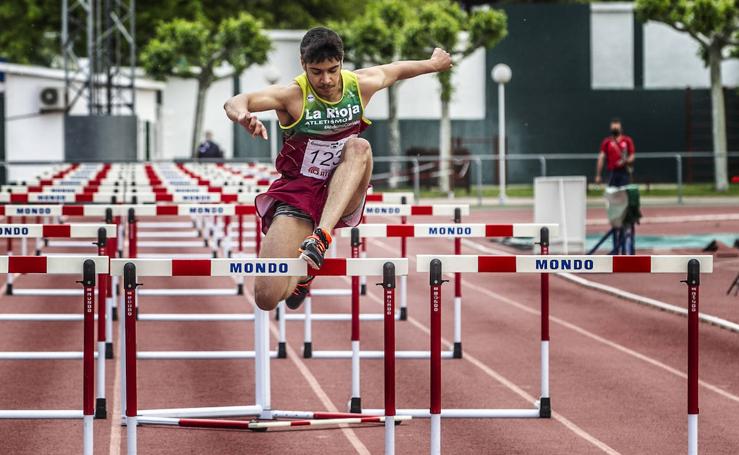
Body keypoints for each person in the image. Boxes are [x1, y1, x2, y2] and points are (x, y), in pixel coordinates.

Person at [224, 26, 452, 311]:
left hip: (344, 190)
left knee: (359, 147)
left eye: (332, 70)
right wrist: (243, 115)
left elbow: (396, 69)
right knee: (266, 298)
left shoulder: (360, 84)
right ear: (303, 64)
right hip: (298, 194)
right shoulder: (292, 95)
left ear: (341, 62)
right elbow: (236, 101)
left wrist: (433, 64)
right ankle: (304, 275)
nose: (327, 80)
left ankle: (321, 237)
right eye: (317, 72)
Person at [595, 118, 635, 187]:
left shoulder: (627, 140)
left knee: (624, 193)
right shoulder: (607, 142)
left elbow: (632, 156)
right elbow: (601, 158)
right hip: (612, 172)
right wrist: (598, 175)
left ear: (621, 129)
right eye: (614, 129)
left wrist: (626, 161)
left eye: (617, 128)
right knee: (612, 193)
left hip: (624, 171)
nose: (615, 130)